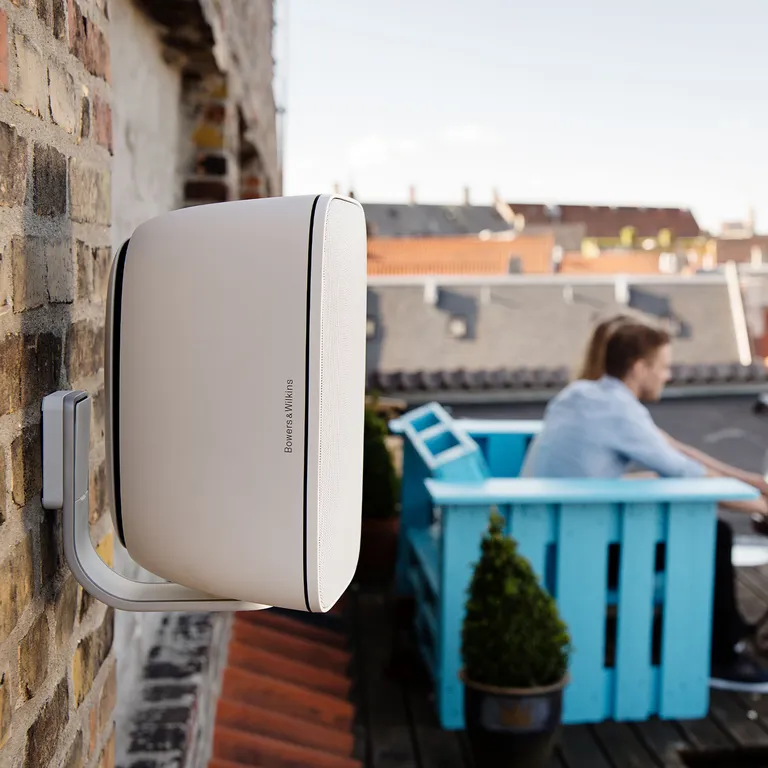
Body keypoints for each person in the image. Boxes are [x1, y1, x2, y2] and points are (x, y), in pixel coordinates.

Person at [522, 319, 768, 691]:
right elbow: (686, 474)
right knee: (710, 535)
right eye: (663, 366)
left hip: (549, 535)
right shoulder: (617, 411)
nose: (668, 375)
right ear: (639, 367)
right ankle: (718, 656)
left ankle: (704, 634)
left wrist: (754, 484)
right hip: (576, 551)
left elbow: (675, 452)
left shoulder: (583, 394)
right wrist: (761, 507)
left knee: (699, 528)